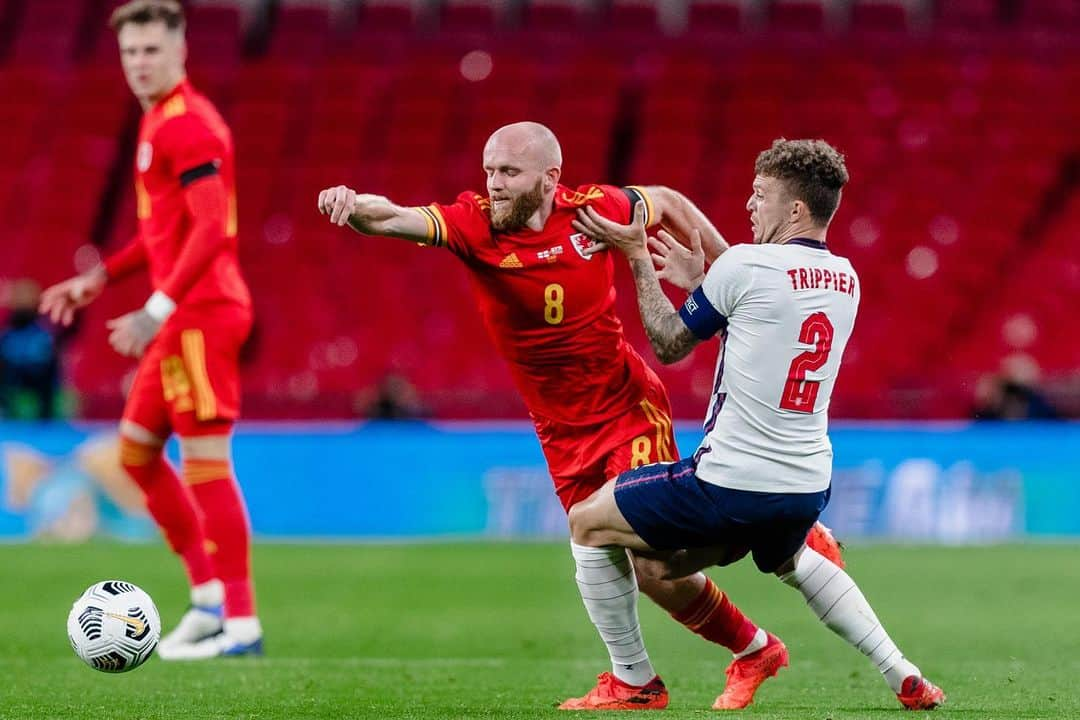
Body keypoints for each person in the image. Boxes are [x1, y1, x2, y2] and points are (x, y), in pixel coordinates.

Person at [318, 122, 844, 709]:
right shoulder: (472, 224)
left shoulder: (595, 212)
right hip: (559, 430)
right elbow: (392, 216)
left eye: (508, 173)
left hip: (625, 407)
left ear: (549, 179)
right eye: (489, 170)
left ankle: (645, 674)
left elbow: (666, 202)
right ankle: (753, 649)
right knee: (636, 562)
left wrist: (733, 271)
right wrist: (351, 204)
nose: (492, 184)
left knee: (649, 556)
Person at [566, 138, 946, 710]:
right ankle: (903, 674)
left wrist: (636, 256)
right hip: (805, 485)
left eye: (761, 194)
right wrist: (705, 283)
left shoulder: (746, 263)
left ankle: (632, 681)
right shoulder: (846, 278)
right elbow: (760, 330)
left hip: (728, 482)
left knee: (587, 522)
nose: (749, 206)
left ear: (794, 210)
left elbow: (669, 344)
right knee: (659, 564)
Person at [39, 0, 260, 659]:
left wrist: (154, 310)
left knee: (205, 465)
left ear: (180, 50)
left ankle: (242, 624)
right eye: (130, 52)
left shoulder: (187, 126)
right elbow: (163, 231)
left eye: (151, 50)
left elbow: (211, 229)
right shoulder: (156, 123)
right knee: (136, 453)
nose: (139, 63)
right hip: (180, 312)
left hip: (202, 314)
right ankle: (207, 599)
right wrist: (101, 277)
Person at [0, 279, 60, 419]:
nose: (24, 303)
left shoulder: (48, 330)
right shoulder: (6, 330)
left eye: (28, 298)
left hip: (42, 390)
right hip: (10, 386)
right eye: (20, 298)